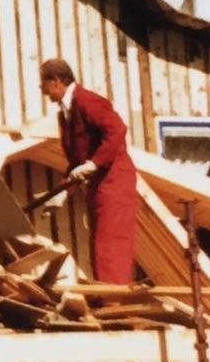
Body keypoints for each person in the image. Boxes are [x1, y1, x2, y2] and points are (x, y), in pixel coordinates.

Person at [39, 57, 139, 284]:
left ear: (55, 81)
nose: (45, 94)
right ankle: (107, 296)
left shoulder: (86, 101)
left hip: (114, 179)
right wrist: (61, 193)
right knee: (99, 243)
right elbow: (76, 161)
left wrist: (94, 163)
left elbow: (117, 130)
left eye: (44, 86)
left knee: (111, 242)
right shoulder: (66, 112)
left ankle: (114, 302)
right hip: (98, 182)